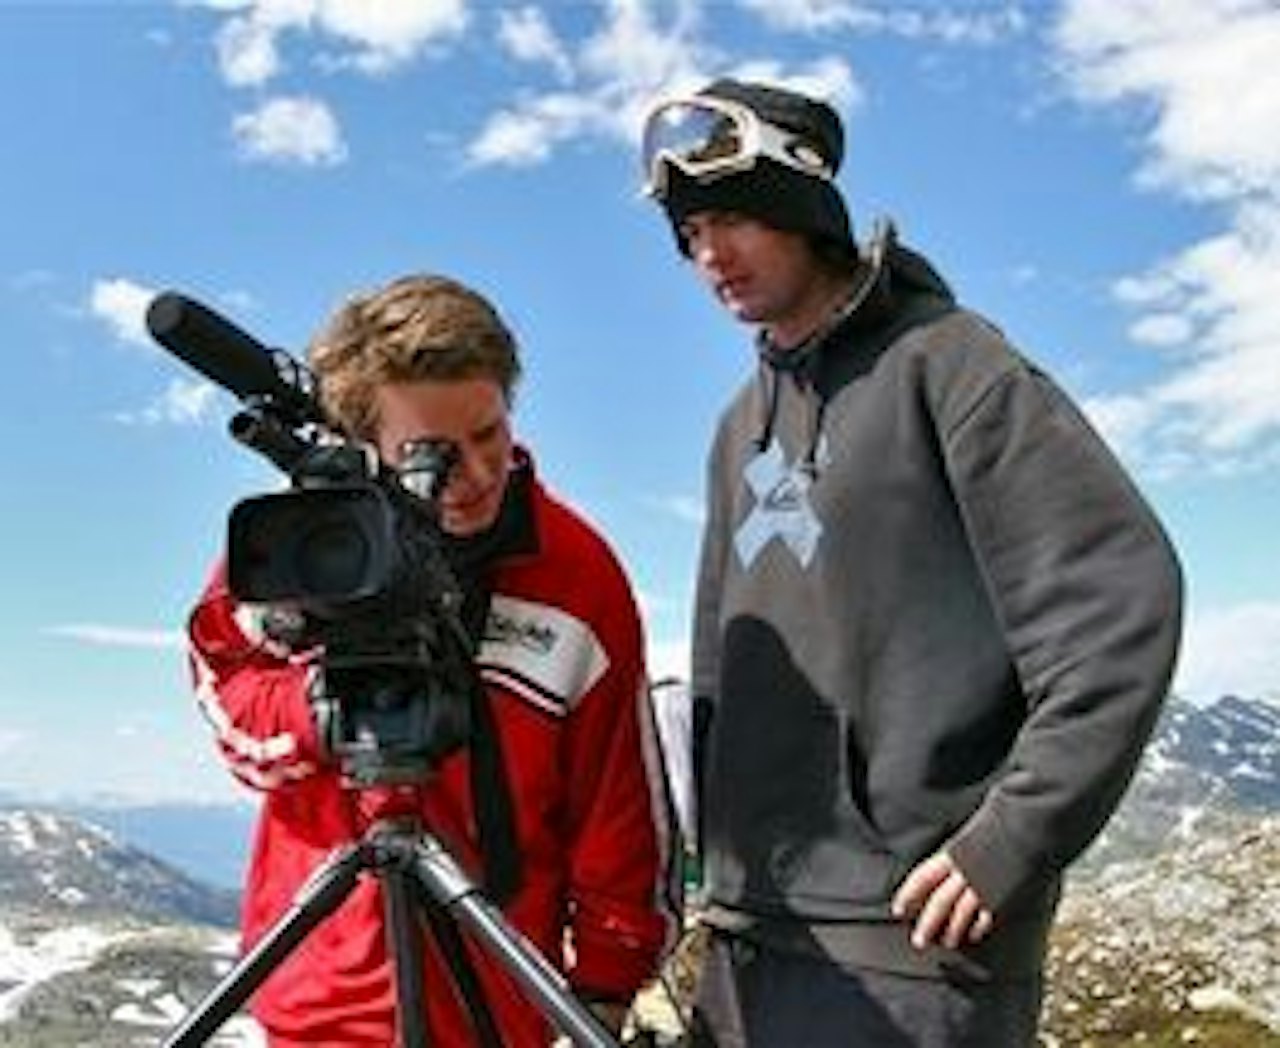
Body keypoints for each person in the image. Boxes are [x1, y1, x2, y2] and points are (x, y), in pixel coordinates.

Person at [638, 79, 1183, 1046]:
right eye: (688, 235)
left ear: (799, 202)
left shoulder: (954, 366)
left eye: (729, 219)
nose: (707, 255)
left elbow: (1118, 606)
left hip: (914, 952)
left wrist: (1011, 839)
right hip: (749, 935)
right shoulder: (736, 428)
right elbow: (726, 667)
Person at [186, 274, 681, 1046]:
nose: (480, 475)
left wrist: (607, 991)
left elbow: (615, 799)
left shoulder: (576, 570)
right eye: (435, 456)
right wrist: (317, 711)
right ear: (362, 444)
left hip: (505, 996)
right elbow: (234, 719)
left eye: (492, 435)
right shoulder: (298, 551)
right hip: (326, 1002)